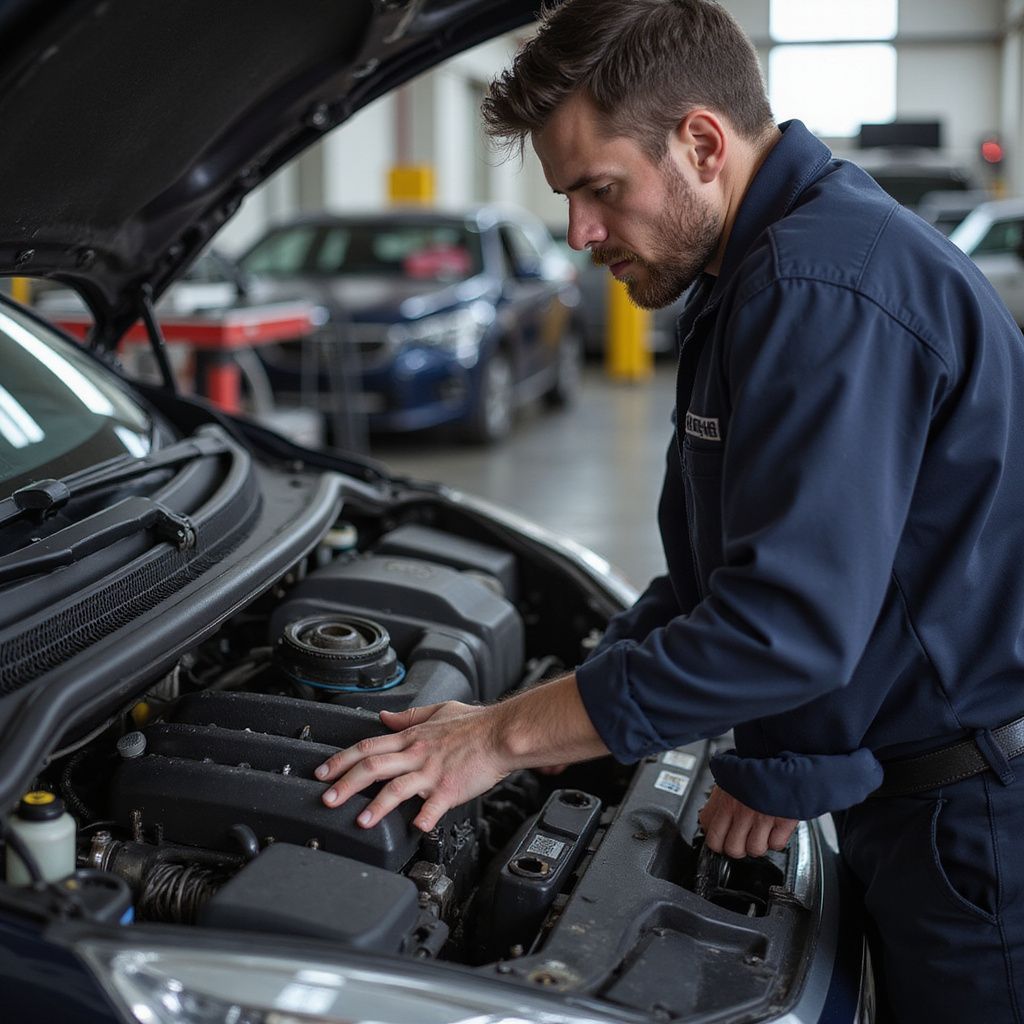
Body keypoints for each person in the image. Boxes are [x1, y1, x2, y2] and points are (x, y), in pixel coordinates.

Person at [314, 1, 1024, 1019]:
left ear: (700, 140)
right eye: (568, 199)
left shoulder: (815, 285)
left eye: (600, 190)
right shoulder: (760, 266)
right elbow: (725, 577)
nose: (580, 234)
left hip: (976, 825)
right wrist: (543, 709)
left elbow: (780, 630)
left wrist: (504, 742)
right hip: (918, 796)